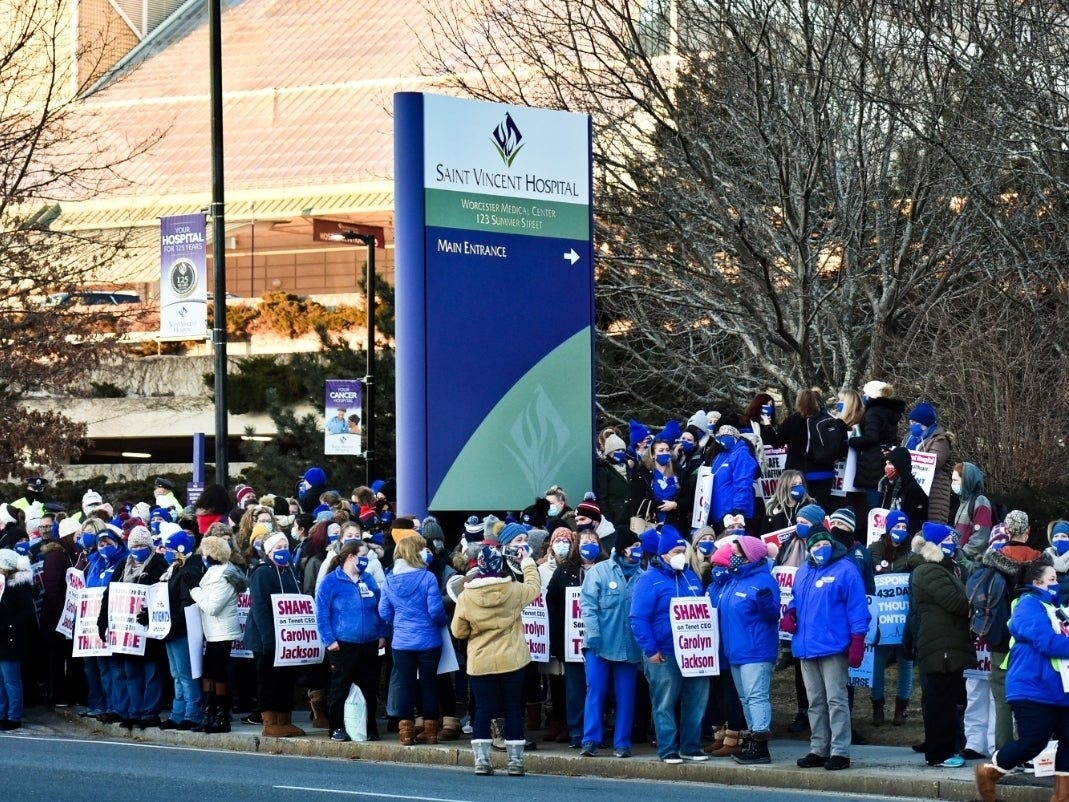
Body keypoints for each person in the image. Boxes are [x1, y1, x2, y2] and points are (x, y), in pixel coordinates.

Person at [781, 503, 871, 771]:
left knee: (836, 699)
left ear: (830, 542)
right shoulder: (805, 571)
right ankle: (818, 747)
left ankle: (840, 750)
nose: (819, 549)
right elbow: (797, 601)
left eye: (823, 544)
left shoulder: (846, 569)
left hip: (832, 646)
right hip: (807, 647)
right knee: (815, 701)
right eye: (814, 545)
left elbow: (858, 610)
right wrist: (791, 614)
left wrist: (858, 641)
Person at [975, 562, 1069, 802]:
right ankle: (989, 772)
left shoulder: (1058, 608)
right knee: (1033, 742)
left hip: (1060, 690)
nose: (1057, 583)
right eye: (1052, 579)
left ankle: (1062, 796)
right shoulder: (1027, 605)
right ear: (1037, 582)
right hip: (1032, 688)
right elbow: (1047, 642)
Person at [452, 541, 541, 776]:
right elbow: (534, 587)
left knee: (483, 709)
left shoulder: (466, 596)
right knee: (513, 708)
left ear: (479, 566)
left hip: (480, 662)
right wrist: (528, 562)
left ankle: (482, 761)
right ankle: (515, 762)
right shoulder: (513, 590)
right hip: (513, 659)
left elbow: (458, 631)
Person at [629, 525, 710, 764]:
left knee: (696, 700)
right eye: (676, 551)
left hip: (695, 652)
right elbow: (638, 618)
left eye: (683, 551)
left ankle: (691, 746)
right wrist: (650, 650)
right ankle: (668, 749)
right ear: (663, 553)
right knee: (665, 702)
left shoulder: (691, 577)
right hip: (664, 652)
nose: (681, 555)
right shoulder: (649, 580)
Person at [909, 521, 973, 768]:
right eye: (949, 542)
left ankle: (947, 748)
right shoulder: (929, 571)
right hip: (939, 647)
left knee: (946, 700)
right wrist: (971, 600)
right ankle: (940, 753)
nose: (953, 546)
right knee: (939, 702)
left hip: (946, 644)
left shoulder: (946, 569)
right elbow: (957, 602)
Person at [579, 527, 644, 758]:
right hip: (599, 645)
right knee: (596, 690)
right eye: (635, 547)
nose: (638, 551)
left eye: (640, 547)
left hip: (628, 647)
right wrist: (593, 633)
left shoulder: (642, 576)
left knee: (626, 695)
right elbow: (587, 604)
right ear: (624, 548)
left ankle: (622, 743)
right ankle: (590, 740)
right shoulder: (600, 571)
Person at [715, 536, 780, 764]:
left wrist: (765, 603)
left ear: (749, 555)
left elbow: (773, 614)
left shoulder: (763, 580)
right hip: (736, 651)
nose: (733, 556)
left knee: (756, 696)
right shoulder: (734, 580)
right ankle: (753, 740)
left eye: (737, 552)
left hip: (756, 649)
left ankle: (761, 746)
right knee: (746, 699)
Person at [379, 534, 448, 745]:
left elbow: (384, 611)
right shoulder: (427, 578)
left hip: (401, 642)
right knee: (429, 684)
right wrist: (443, 621)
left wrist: (398, 623)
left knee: (405, 685)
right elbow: (436, 611)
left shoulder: (389, 579)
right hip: (428, 640)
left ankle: (406, 731)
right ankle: (430, 731)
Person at [98, 525, 169, 729]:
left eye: (141, 545)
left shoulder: (159, 565)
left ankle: (150, 712)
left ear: (149, 546)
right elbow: (109, 595)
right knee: (131, 672)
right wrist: (103, 621)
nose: (137, 549)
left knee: (153, 672)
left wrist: (150, 614)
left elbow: (163, 595)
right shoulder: (123, 566)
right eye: (134, 545)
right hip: (127, 633)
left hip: (149, 631)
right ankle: (134, 711)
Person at [316, 540, 387, 742]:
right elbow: (322, 613)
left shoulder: (369, 579)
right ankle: (336, 727)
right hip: (342, 643)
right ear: (351, 557)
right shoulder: (331, 581)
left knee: (370, 687)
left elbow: (378, 608)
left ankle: (369, 727)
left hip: (370, 642)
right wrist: (329, 640)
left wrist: (382, 633)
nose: (366, 560)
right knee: (340, 686)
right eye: (363, 556)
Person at [244, 531, 306, 737]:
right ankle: (270, 721)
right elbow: (260, 608)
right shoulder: (262, 572)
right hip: (266, 638)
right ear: (268, 552)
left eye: (285, 546)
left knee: (286, 679)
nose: (282, 551)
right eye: (277, 548)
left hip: (287, 639)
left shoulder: (290, 570)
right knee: (268, 679)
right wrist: (269, 639)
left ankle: (284, 719)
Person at [190, 534, 246, 733]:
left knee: (218, 673)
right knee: (210, 672)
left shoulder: (224, 576)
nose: (202, 555)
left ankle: (222, 717)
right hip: (212, 630)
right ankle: (209, 713)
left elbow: (213, 607)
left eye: (205, 551)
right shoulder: (212, 572)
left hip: (222, 631)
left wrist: (194, 591)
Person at [760, 389, 847, 509]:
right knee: (821, 510)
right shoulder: (828, 420)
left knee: (799, 510)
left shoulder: (792, 421)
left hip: (798, 475)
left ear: (798, 403)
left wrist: (767, 425)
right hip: (825, 472)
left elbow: (775, 442)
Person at [869, 510, 914, 726]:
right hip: (882, 617)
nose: (900, 531)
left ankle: (901, 710)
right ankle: (877, 706)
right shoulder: (875, 549)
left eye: (905, 528)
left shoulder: (913, 551)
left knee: (906, 663)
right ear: (888, 527)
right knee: (878, 662)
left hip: (904, 617)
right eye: (897, 526)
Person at [158, 525, 205, 730]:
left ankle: (192, 713)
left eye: (169, 550)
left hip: (182, 630)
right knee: (177, 674)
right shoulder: (177, 569)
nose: (166, 553)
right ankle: (179, 712)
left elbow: (186, 603)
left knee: (186, 674)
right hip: (173, 629)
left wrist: (171, 624)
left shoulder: (189, 571)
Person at [848, 381, 906, 508]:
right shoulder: (890, 412)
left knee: (873, 502)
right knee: (883, 499)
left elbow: (872, 437)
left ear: (871, 395)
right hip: (884, 458)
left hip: (872, 462)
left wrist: (851, 441)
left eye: (865, 393)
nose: (863, 396)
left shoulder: (873, 412)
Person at [0, 549, 35, 729]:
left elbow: (27, 612)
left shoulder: (19, 586)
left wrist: (9, 625)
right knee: (1, 679)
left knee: (11, 679)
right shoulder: (3, 584)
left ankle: (14, 716)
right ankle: (2, 713)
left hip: (12, 638)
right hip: (3, 637)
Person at [901, 403, 953, 523]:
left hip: (934, 491)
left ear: (925, 423)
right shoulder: (909, 438)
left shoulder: (940, 440)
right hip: (911, 489)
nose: (912, 425)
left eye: (915, 422)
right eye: (911, 422)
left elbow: (935, 462)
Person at [709, 425, 760, 532]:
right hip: (719, 514)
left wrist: (739, 510)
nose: (724, 438)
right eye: (721, 436)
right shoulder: (720, 455)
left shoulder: (742, 454)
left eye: (727, 435)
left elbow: (743, 483)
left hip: (734, 513)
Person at [954, 462, 994, 572]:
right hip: (961, 562)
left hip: (972, 564)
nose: (952, 484)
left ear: (966, 480)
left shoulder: (980, 502)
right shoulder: (964, 502)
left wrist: (962, 554)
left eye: (955, 480)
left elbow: (981, 537)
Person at [877, 447, 929, 533]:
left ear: (900, 464)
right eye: (886, 463)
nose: (887, 467)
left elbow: (917, 524)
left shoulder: (915, 491)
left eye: (890, 463)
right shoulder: (886, 484)